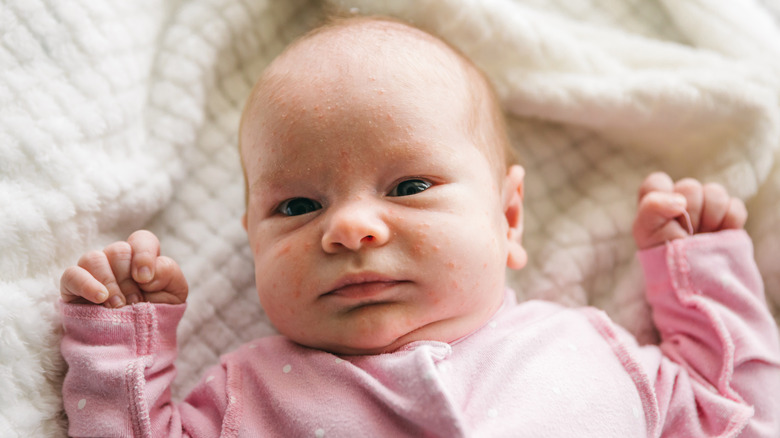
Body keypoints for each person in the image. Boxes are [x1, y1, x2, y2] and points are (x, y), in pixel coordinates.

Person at [59, 16, 780, 437]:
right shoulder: (244, 394)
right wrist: (124, 345)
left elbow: (743, 416)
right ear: (253, 242)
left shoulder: (590, 350)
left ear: (507, 217)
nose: (350, 228)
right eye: (297, 207)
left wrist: (703, 276)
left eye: (409, 187)